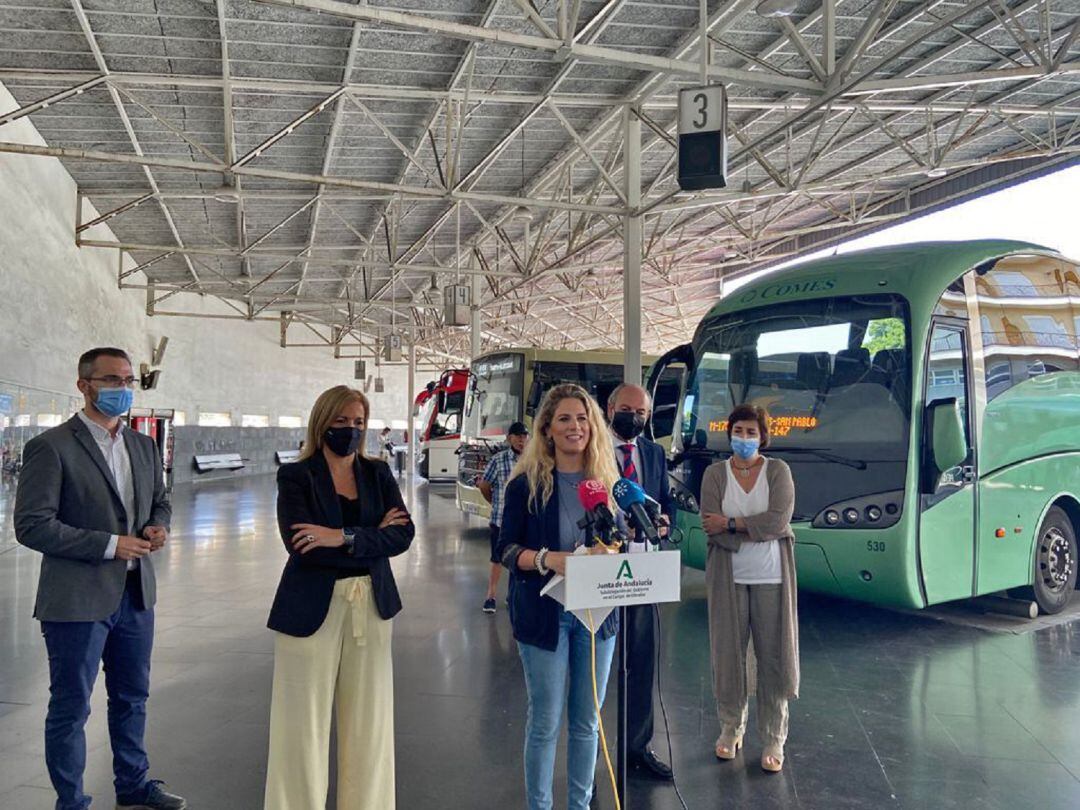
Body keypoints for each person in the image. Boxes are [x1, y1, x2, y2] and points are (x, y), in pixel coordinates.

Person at [13, 347, 185, 810]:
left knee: (132, 697)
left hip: (135, 595)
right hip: (76, 600)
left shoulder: (142, 446)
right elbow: (32, 525)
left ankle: (133, 784)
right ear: (84, 385)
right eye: (111, 380)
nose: (122, 389)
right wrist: (110, 545)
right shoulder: (51, 447)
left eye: (128, 380)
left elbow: (160, 501)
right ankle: (71, 801)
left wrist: (157, 526)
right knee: (71, 706)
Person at [264, 385, 414, 810]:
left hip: (372, 606)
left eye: (359, 422)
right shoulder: (296, 476)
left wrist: (341, 535)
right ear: (322, 422)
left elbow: (403, 534)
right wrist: (371, 536)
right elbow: (301, 545)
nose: (351, 429)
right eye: (342, 421)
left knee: (370, 722)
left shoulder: (377, 473)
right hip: (309, 608)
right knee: (300, 725)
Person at [497, 384, 621, 810]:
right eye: (565, 418)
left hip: (597, 615)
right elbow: (505, 550)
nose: (575, 427)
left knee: (587, 723)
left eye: (583, 418)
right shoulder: (525, 486)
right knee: (545, 723)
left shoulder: (607, 483)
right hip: (543, 614)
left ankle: (580, 806)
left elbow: (621, 540)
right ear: (547, 429)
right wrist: (548, 559)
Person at [699, 404, 799, 773]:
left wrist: (730, 523)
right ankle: (731, 728)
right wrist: (749, 527)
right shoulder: (714, 474)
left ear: (763, 437)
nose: (744, 438)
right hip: (729, 578)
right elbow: (709, 527)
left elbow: (779, 521)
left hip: (772, 577)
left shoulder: (778, 471)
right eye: (738, 431)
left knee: (773, 657)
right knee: (729, 655)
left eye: (751, 432)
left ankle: (773, 737)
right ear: (729, 434)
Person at [606, 383, 674, 780]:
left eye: (642, 412)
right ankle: (592, 751)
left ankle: (637, 747)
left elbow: (664, 500)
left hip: (645, 570)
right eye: (628, 409)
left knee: (643, 660)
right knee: (599, 665)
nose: (635, 417)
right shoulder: (591, 448)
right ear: (611, 408)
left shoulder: (653, 453)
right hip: (601, 570)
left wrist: (663, 523)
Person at [478, 421, 529, 614]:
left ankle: (512, 595)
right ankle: (490, 596)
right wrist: (494, 502)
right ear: (509, 438)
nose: (521, 440)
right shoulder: (498, 460)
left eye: (524, 436)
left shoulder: (532, 461)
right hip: (500, 518)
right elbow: (484, 485)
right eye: (517, 436)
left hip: (525, 520)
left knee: (519, 558)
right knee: (497, 557)